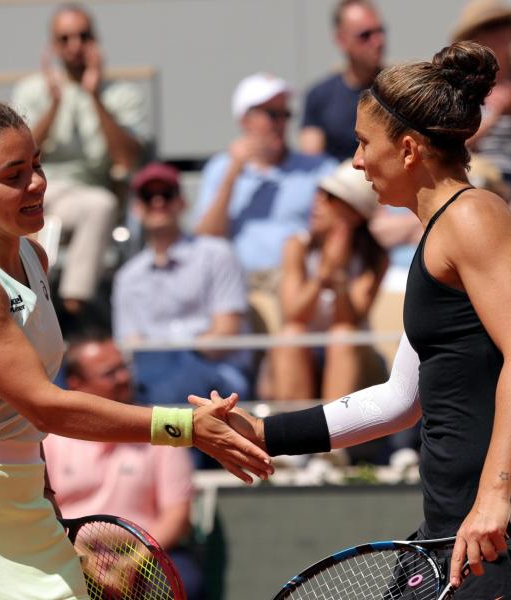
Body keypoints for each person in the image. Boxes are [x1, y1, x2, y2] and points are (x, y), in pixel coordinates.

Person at [0, 67, 272, 600]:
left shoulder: (32, 256)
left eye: (36, 166)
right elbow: (45, 407)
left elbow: (18, 420)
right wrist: (184, 427)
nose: (36, 184)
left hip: (24, 502)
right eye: (13, 176)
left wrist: (46, 495)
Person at [193, 41, 511, 597]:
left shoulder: (474, 217)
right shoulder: (440, 234)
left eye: (364, 144)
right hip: (452, 531)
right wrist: (266, 433)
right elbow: (398, 400)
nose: (357, 161)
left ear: (409, 149)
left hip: (490, 532)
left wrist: (496, 496)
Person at [44, 333, 206, 599]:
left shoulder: (162, 427)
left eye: (123, 368)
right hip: (67, 551)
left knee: (186, 582)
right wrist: (82, 558)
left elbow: (177, 516)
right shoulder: (52, 437)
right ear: (77, 385)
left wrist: (134, 563)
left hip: (147, 555)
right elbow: (44, 507)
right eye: (110, 373)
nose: (123, 378)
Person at [11, 3, 146, 316]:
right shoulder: (32, 90)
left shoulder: (121, 95)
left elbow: (127, 159)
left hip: (86, 195)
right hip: (38, 188)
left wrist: (95, 97)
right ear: (53, 45)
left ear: (95, 40)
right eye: (65, 38)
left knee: (101, 204)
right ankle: (42, 304)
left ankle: (73, 307)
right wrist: (55, 104)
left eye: (83, 36)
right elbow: (19, 153)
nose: (75, 46)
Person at [194, 72, 336, 333]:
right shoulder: (221, 169)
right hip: (236, 281)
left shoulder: (318, 168)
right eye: (271, 114)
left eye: (285, 114)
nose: (280, 123)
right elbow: (206, 237)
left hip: (293, 276)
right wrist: (233, 173)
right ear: (245, 120)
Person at [113, 162, 252, 406]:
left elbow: (226, 334)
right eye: (149, 196)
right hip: (155, 375)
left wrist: (178, 355)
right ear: (137, 208)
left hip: (214, 371)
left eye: (166, 194)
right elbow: (130, 346)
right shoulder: (128, 276)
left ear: (182, 202)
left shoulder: (217, 254)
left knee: (173, 384)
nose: (158, 202)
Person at [271, 159, 388, 402]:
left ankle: (338, 438)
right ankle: (297, 434)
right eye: (320, 193)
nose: (318, 202)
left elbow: (350, 320)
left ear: (356, 214)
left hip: (351, 356)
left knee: (342, 335)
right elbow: (294, 314)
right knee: (291, 334)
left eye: (331, 197)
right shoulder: (296, 246)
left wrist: (339, 277)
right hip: (303, 355)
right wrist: (322, 277)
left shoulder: (375, 258)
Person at [299, 0, 385, 161]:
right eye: (365, 35)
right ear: (341, 40)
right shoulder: (320, 96)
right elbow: (311, 163)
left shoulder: (396, 89)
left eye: (380, 31)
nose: (378, 41)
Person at [452, 0, 511, 183]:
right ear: (474, 39)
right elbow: (452, 144)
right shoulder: (462, 87)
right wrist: (494, 114)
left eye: (503, 25)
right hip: (480, 175)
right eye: (490, 28)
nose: (500, 34)